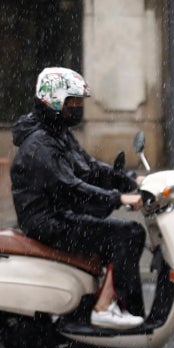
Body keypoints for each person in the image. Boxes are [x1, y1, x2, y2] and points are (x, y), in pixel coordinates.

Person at [10, 67, 146, 331]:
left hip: (59, 215)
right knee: (128, 234)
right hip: (48, 223)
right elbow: (72, 187)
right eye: (72, 102)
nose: (77, 108)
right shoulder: (41, 144)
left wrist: (131, 180)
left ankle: (114, 311)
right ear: (54, 101)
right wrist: (119, 199)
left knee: (125, 235)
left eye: (78, 102)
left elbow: (89, 167)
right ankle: (105, 308)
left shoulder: (55, 132)